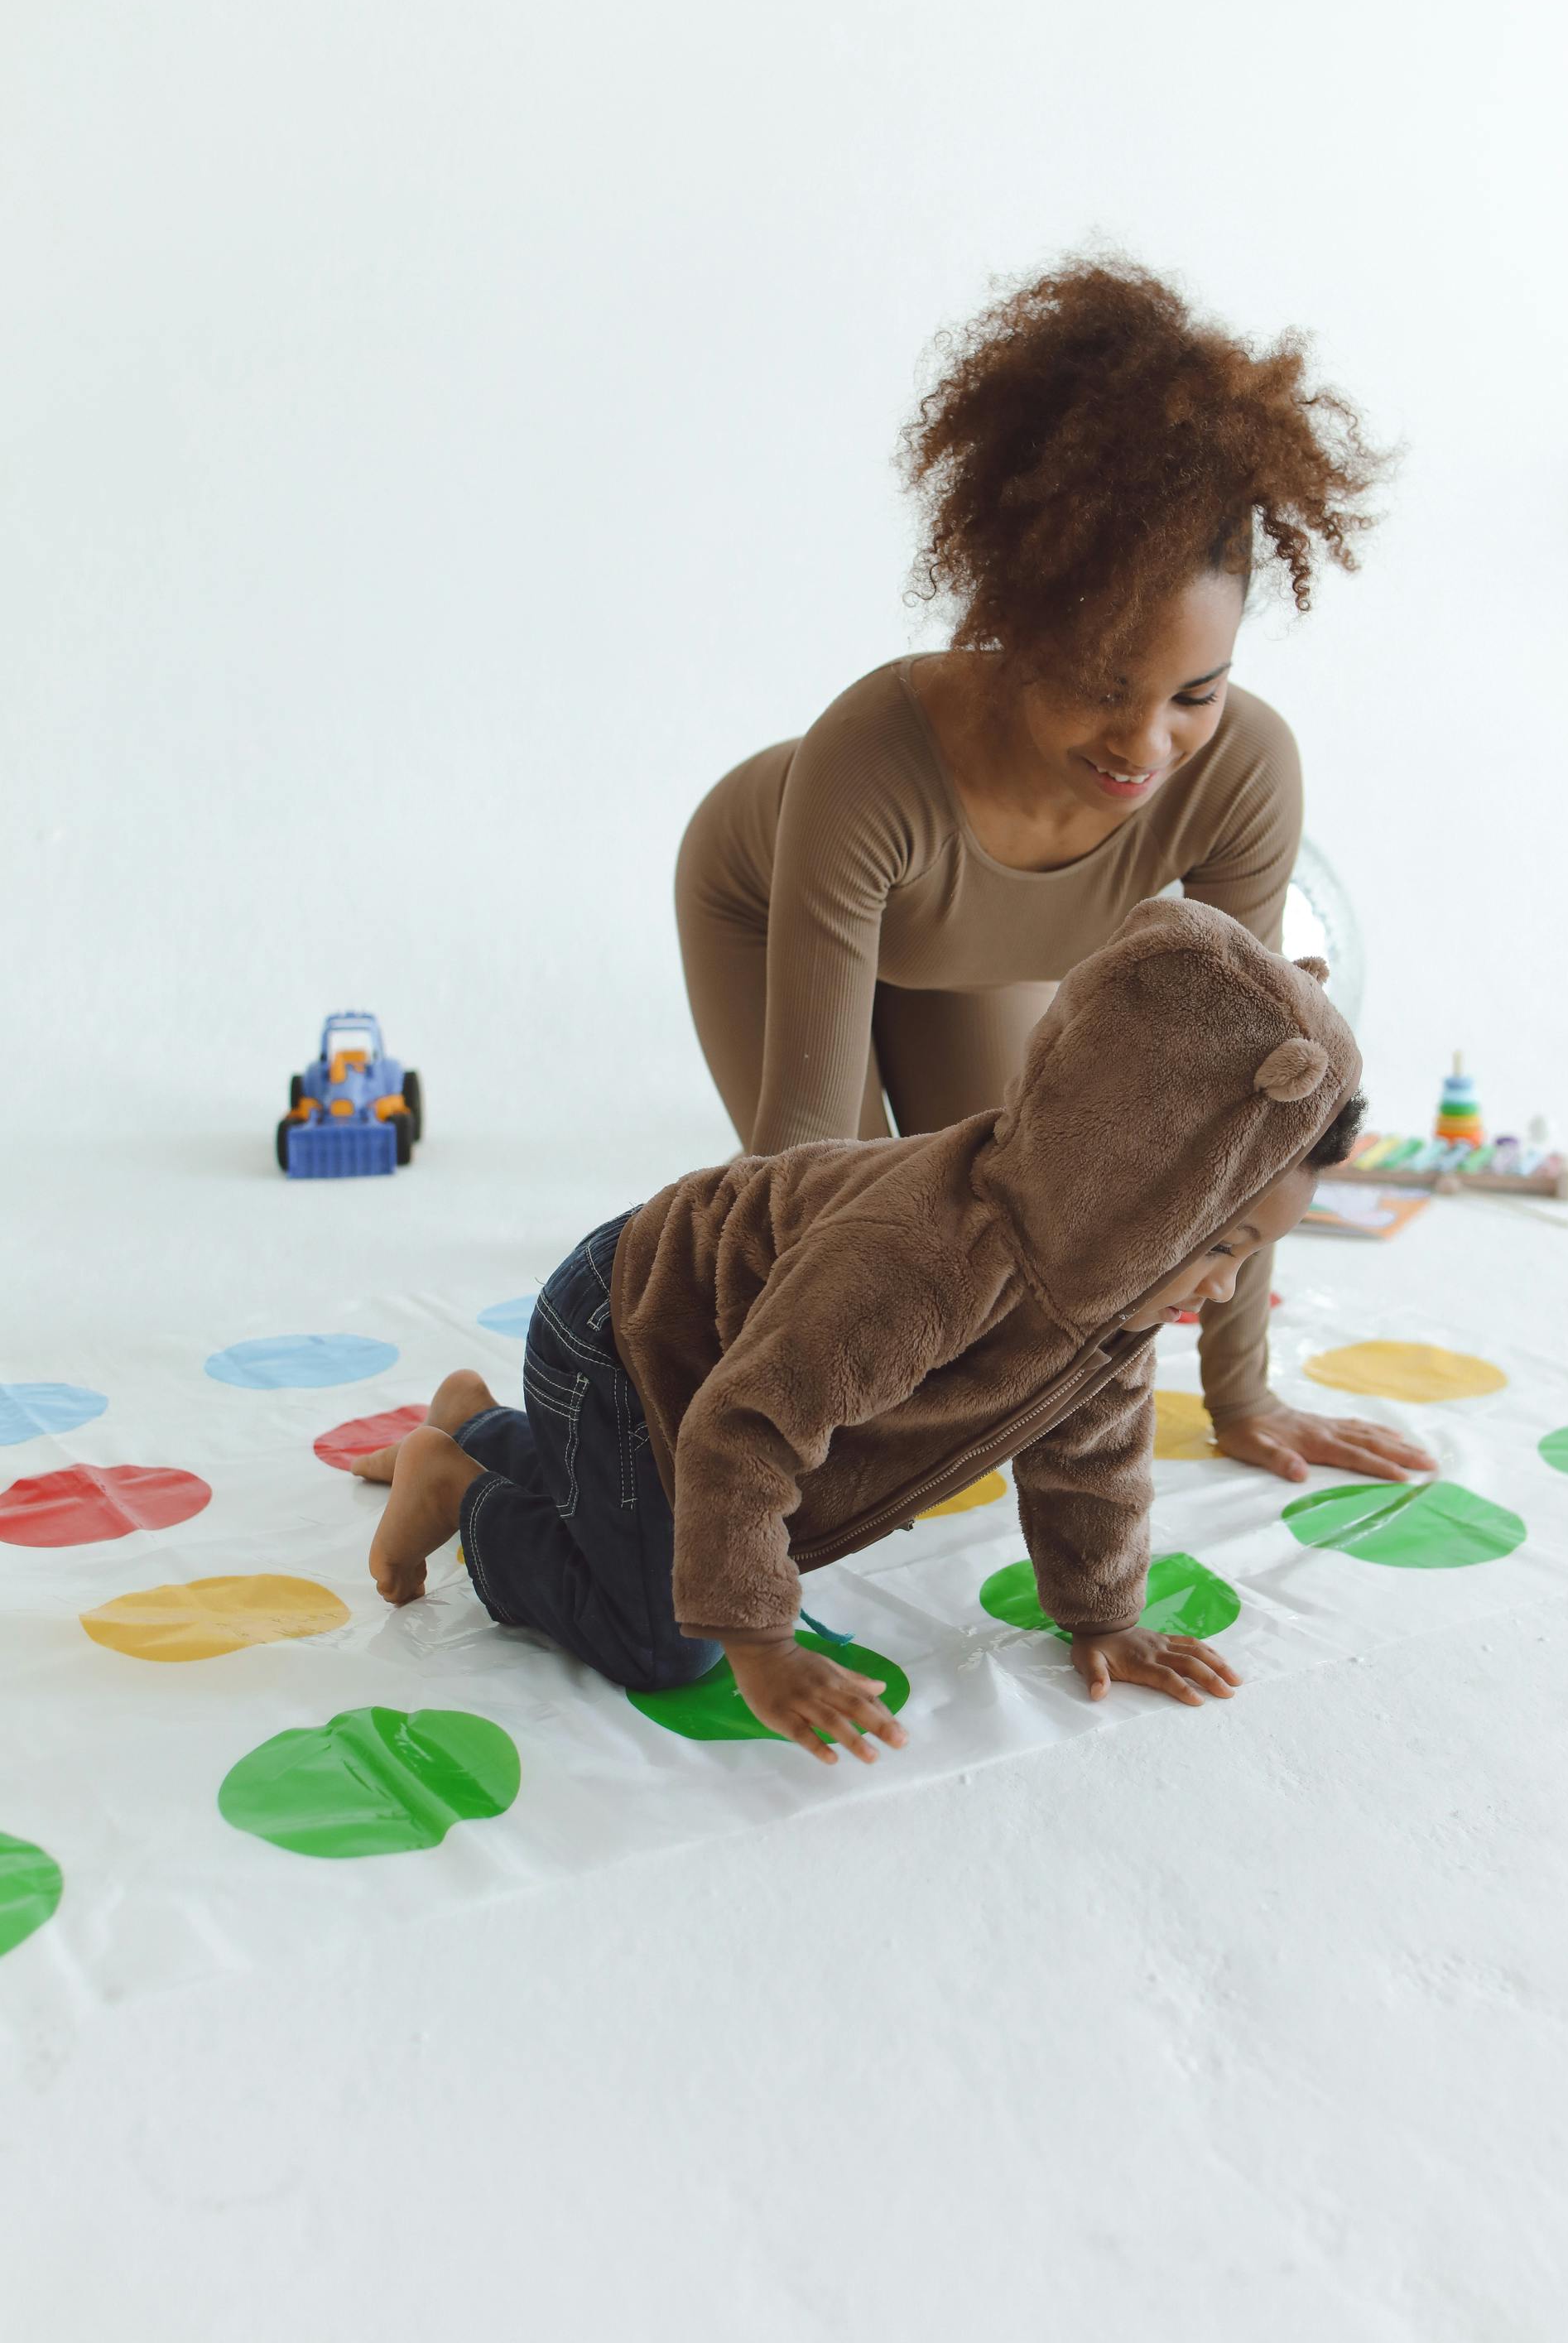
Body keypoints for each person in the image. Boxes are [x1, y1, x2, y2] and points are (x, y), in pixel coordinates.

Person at [676, 253, 1428, 1489]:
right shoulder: (869, 757)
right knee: (871, 1287)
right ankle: (503, 1432)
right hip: (766, 907)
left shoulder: (1242, 775)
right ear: (1015, 624)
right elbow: (793, 1172)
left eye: (1195, 692)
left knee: (1024, 1263)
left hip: (964, 957)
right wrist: (731, 1458)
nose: (1144, 746)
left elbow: (1245, 1114)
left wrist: (1242, 1398)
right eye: (1097, 684)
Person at [351, 900, 1402, 1767]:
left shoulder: (1109, 1291)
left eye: (1245, 1256)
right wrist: (760, 1645)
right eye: (1218, 1245)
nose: (1221, 1290)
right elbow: (744, 1429)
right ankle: (461, 1487)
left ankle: (483, 1429)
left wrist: (1102, 1617)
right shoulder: (924, 1261)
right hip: (629, 1340)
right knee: (665, 1642)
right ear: (1132, 1186)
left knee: (669, 1521)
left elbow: (1091, 1462)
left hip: (726, 1361)